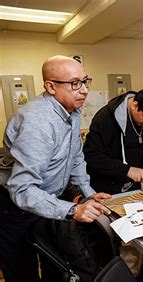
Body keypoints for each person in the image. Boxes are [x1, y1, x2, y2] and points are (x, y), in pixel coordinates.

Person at [0, 55, 111, 281]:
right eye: (74, 83)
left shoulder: (72, 111)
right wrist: (72, 210)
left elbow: (76, 156)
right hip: (16, 208)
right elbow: (22, 189)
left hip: (49, 201)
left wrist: (88, 194)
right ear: (50, 86)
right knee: (23, 273)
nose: (84, 90)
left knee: (56, 264)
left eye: (85, 81)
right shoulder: (37, 122)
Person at [83, 87, 143, 195]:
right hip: (108, 190)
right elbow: (91, 156)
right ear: (135, 105)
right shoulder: (105, 118)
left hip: (139, 187)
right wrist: (127, 170)